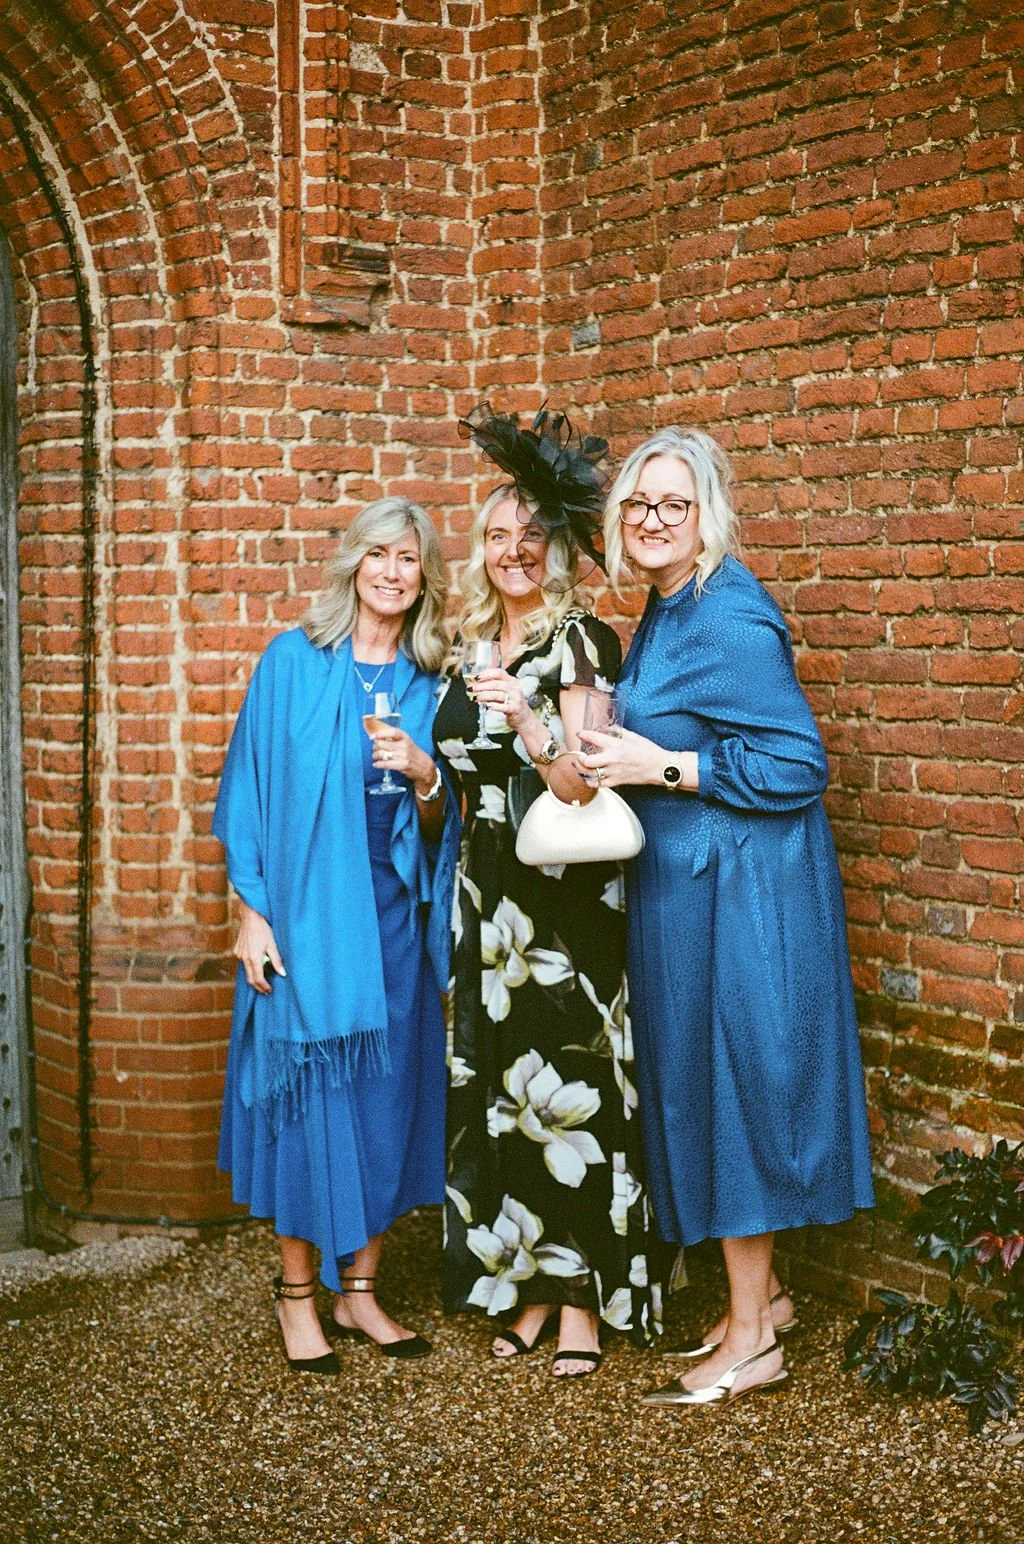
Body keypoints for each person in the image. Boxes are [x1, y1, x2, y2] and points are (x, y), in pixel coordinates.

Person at [579, 428, 874, 1407]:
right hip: (686, 894)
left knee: (740, 1093)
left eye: (673, 503)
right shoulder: (661, 612)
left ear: (707, 514)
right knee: (704, 1089)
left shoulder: (731, 611)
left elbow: (798, 765)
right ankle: (767, 1300)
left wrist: (654, 764)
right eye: (638, 504)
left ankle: (753, 1341)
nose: (653, 519)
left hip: (743, 902)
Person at [436, 408, 663, 1379]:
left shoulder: (581, 645)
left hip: (562, 899)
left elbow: (582, 779)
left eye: (530, 537)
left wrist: (527, 717)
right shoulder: (470, 642)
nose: (513, 551)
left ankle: (584, 1299)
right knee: (503, 1091)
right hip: (485, 897)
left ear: (556, 548)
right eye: (496, 536)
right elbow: (457, 774)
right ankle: (524, 1277)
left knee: (569, 1086)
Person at [214, 497, 458, 1374]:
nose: (395, 573)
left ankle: (360, 1294)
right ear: (353, 563)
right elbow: (248, 792)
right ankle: (295, 1299)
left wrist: (427, 774)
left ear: (426, 578)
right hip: (310, 922)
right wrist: (251, 913)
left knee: (386, 1096)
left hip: (395, 921)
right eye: (380, 555)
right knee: (310, 1096)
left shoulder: (433, 683)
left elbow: (446, 829)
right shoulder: (292, 664)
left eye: (411, 560)